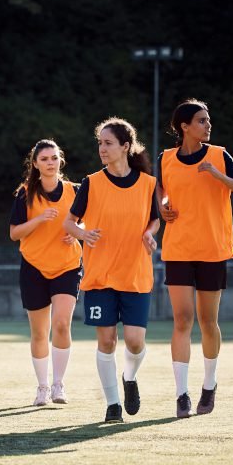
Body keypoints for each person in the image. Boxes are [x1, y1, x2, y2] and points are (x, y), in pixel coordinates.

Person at [157, 99, 233, 418]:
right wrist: (163, 206)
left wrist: (217, 175)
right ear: (184, 127)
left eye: (208, 120)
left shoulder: (219, 155)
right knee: (182, 320)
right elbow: (161, 191)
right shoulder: (165, 159)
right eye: (201, 120)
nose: (208, 125)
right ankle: (182, 395)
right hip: (178, 249)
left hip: (212, 250)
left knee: (208, 322)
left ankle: (209, 386)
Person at [64, 117, 159, 423]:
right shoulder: (91, 182)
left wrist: (149, 233)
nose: (102, 149)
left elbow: (154, 219)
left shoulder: (147, 184)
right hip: (99, 276)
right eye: (100, 143)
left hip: (135, 274)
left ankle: (129, 377)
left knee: (134, 341)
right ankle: (113, 404)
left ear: (125, 147)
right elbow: (69, 222)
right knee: (106, 341)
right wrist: (82, 234)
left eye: (108, 143)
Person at [9, 139, 82, 406]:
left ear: (60, 160)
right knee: (40, 332)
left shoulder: (76, 191)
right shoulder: (25, 193)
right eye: (44, 159)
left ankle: (58, 385)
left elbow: (87, 222)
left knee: (62, 324)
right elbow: (14, 233)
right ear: (35, 164)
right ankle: (41, 387)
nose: (50, 163)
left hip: (67, 266)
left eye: (54, 158)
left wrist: (76, 234)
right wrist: (39, 219)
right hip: (34, 267)